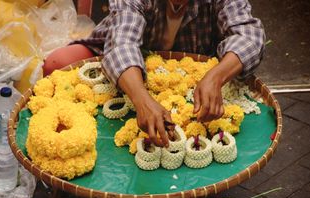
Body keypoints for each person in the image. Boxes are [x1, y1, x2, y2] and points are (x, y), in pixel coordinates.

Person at [44, 0, 265, 147]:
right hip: (126, 59)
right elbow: (121, 45)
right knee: (57, 64)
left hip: (190, 67)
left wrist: (215, 77)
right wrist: (142, 100)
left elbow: (250, 37)